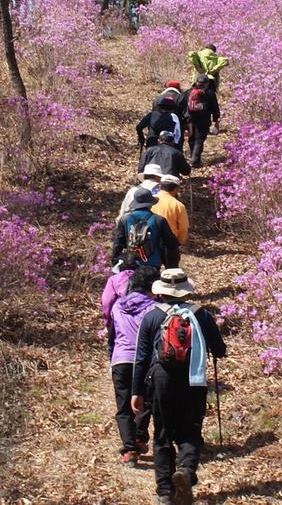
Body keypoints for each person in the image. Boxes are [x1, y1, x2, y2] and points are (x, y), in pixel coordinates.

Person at [131, 269, 227, 505]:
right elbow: (220, 350)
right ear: (185, 291)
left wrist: (136, 391)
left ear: (161, 292)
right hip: (193, 379)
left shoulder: (152, 317)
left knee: (162, 433)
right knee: (190, 430)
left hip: (160, 380)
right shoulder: (201, 315)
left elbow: (141, 357)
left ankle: (165, 491)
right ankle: (185, 471)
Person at [108, 265, 158, 465]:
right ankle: (138, 437)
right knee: (144, 401)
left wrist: (111, 355)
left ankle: (129, 449)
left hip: (120, 359)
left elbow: (112, 336)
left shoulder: (117, 305)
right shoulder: (152, 308)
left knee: (123, 407)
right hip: (143, 361)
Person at [112, 188, 181, 269]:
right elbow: (171, 244)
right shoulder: (159, 220)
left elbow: (118, 244)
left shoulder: (124, 220)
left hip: (130, 264)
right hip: (152, 265)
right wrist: (171, 267)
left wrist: (115, 263)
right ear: (151, 204)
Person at [184, 75, 221, 167]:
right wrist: (216, 121)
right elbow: (215, 108)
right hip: (203, 121)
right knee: (199, 140)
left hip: (190, 120)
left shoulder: (188, 92)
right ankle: (195, 160)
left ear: (196, 82)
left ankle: (194, 157)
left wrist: (184, 117)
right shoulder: (210, 93)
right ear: (207, 84)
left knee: (191, 139)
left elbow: (181, 103)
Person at [152, 175, 188, 246]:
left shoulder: (150, 200)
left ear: (160, 186)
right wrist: (179, 242)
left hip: (150, 241)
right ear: (177, 189)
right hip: (169, 243)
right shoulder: (178, 206)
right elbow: (183, 227)